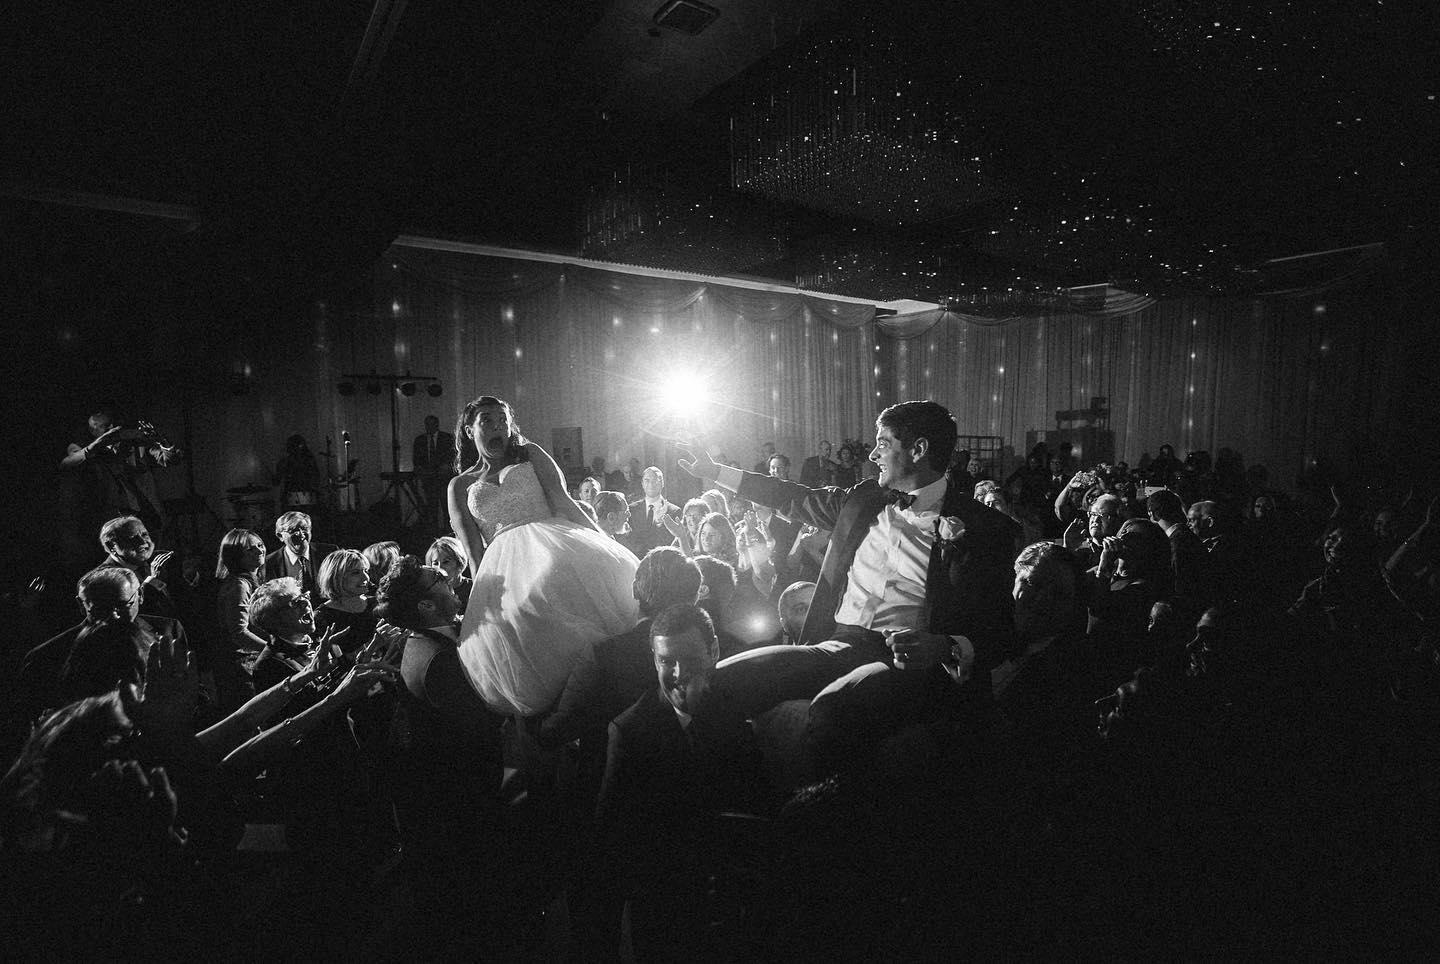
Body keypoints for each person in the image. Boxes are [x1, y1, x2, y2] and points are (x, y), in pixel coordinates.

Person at [677, 399, 1018, 777]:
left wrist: (945, 645)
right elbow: (793, 497)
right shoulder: (864, 498)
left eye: (883, 443)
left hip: (906, 663)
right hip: (837, 644)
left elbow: (1003, 630)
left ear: (918, 450)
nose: (873, 454)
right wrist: (714, 471)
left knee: (831, 710)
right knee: (712, 684)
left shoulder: (986, 529)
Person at [448, 395, 639, 717]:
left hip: (552, 544)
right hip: (505, 566)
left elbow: (564, 502)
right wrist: (483, 602)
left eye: (503, 420)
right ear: (469, 430)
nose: (497, 427)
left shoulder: (530, 454)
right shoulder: (460, 485)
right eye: (487, 421)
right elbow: (474, 552)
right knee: (530, 627)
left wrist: (604, 540)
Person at [61, 409, 182, 538]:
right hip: (109, 519)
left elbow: (171, 460)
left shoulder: (135, 443)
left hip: (146, 512)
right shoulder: (86, 447)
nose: (112, 429)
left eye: (113, 424)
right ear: (92, 431)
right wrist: (98, 444)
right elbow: (66, 464)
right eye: (105, 426)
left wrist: (162, 441)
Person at [213, 528, 269, 711]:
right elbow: (239, 632)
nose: (259, 550)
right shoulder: (239, 585)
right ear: (235, 556)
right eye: (250, 549)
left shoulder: (251, 580)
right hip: (243, 665)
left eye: (260, 545)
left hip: (251, 660)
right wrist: (273, 650)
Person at [262, 511, 337, 599]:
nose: (301, 534)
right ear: (280, 536)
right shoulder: (270, 562)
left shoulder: (329, 553)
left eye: (305, 528)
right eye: (293, 530)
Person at [313, 549, 378, 649]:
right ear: (336, 577)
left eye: (365, 571)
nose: (366, 578)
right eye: (356, 573)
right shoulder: (322, 617)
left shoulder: (377, 604)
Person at [413, 415, 457, 531]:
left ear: (437, 425)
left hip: (444, 479)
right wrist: (420, 470)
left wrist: (447, 466)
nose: (429, 427)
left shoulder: (447, 438)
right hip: (428, 479)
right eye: (427, 424)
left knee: (447, 507)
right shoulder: (420, 440)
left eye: (432, 424)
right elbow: (416, 459)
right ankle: (433, 532)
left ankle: (449, 531)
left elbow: (454, 456)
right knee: (431, 508)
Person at [628, 466, 680, 556]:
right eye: (647, 480)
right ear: (642, 483)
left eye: (655, 480)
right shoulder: (631, 509)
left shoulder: (674, 511)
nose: (651, 484)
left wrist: (658, 523)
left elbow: (672, 544)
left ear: (662, 483)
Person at [273, 434, 323, 513]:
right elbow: (316, 479)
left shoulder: (286, 462)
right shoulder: (309, 459)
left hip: (295, 498)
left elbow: (276, 481)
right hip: (306, 497)